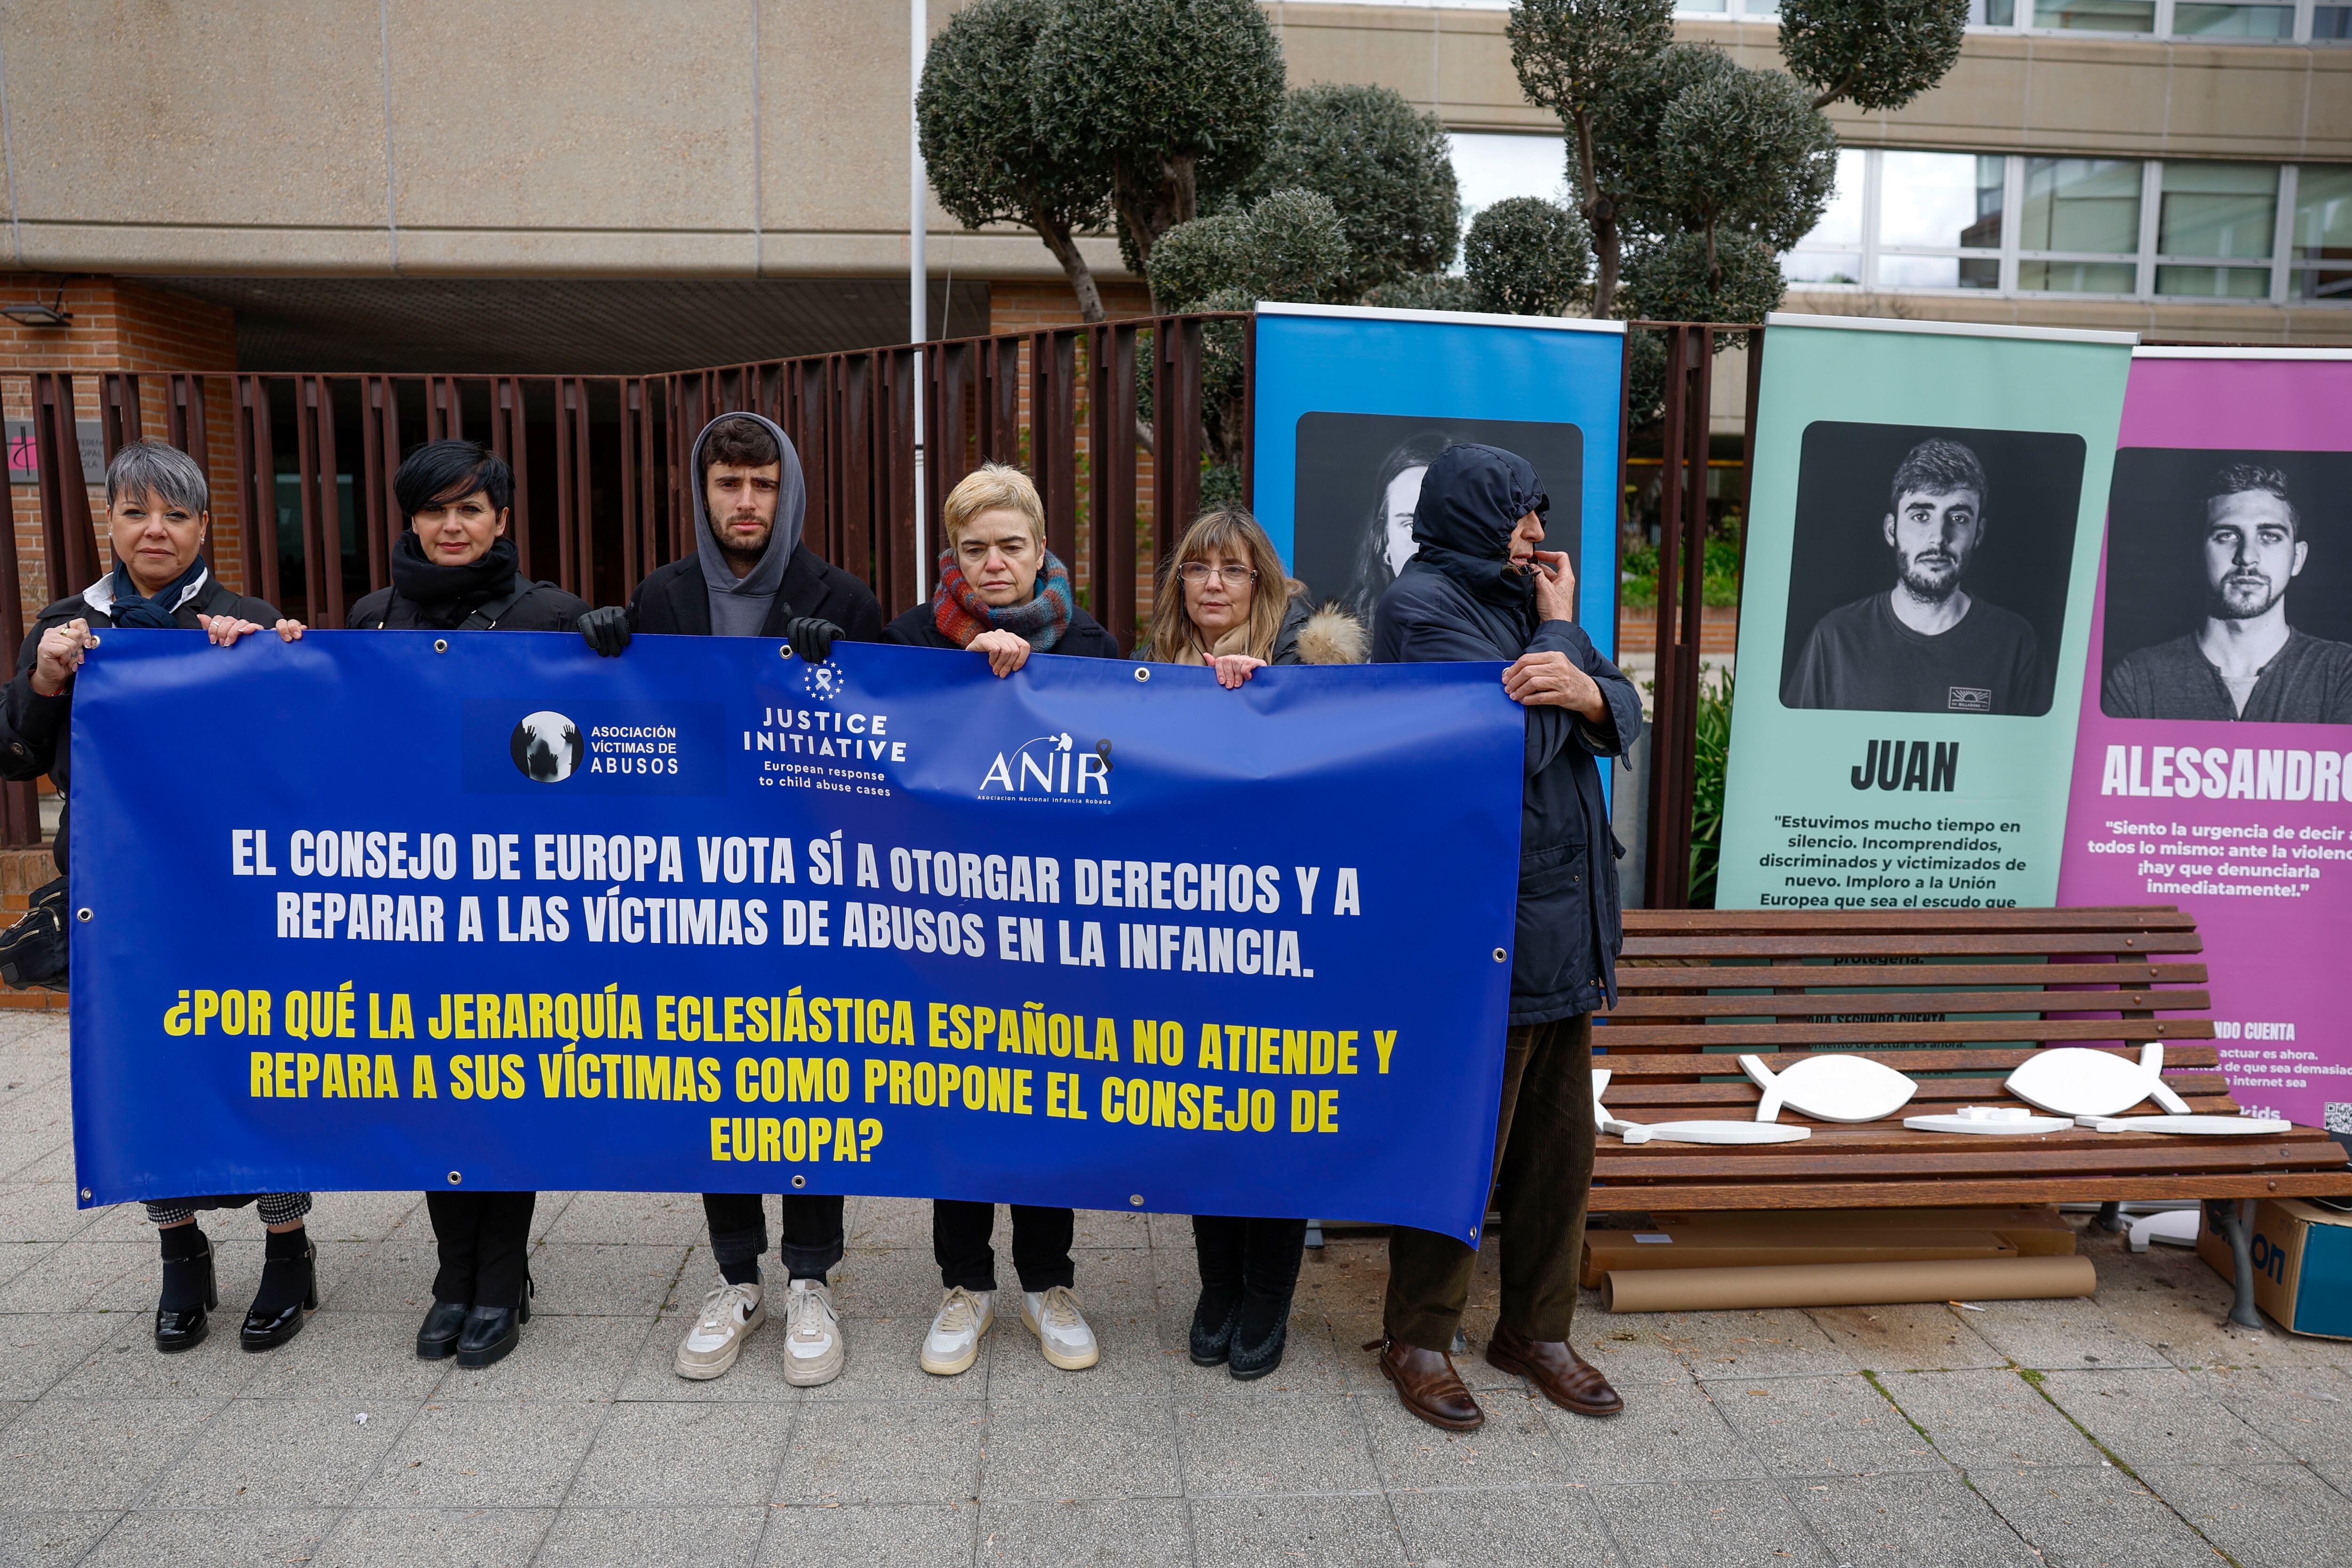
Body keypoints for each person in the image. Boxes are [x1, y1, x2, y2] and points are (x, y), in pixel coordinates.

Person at [577, 411, 881, 1388]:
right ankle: (736, 1274)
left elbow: (884, 748)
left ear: (787, 489)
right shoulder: (661, 596)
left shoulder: (845, 594)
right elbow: (627, 745)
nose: (745, 502)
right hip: (701, 889)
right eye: (727, 484)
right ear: (702, 493)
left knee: (809, 1076)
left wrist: (851, 673)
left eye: (761, 484)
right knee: (718, 1074)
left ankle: (811, 1277)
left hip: (812, 891)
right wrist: (603, 658)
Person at [0, 440, 313, 1351]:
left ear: (204, 528)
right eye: (137, 512)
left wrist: (273, 659)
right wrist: (45, 677)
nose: (156, 531)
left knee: (262, 1060)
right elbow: (19, 755)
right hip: (120, 896)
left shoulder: (242, 617)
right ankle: (181, 1253)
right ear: (110, 523)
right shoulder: (68, 623)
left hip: (235, 896)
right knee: (145, 1066)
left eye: (176, 515)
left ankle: (289, 1250)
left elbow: (293, 754)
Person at [1370, 442, 1642, 1432]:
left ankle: (1535, 1329)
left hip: (1566, 923)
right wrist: (1565, 645)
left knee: (1557, 1153)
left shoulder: (1531, 611)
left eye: (1536, 513)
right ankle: (1418, 1336)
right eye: (1521, 514)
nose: (1537, 532)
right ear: (1476, 515)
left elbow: (1623, 710)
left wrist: (1573, 673)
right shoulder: (1422, 608)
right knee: (1462, 1146)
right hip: (1480, 930)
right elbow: (1510, 748)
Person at [344, 438, 590, 1368]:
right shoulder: (372, 618)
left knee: (505, 1089)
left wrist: (614, 648)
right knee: (433, 1090)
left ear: (501, 519)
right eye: (435, 508)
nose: (453, 525)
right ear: (410, 518)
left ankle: (503, 1275)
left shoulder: (552, 614)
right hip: (413, 901)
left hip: (520, 903)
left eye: (471, 508)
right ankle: (453, 1275)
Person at [883, 462, 1116, 1375]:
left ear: (1042, 547)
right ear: (952, 553)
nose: (992, 564)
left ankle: (1048, 1281)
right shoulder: (907, 639)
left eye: (1010, 545)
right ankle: (964, 1283)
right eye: (973, 548)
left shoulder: (1091, 642)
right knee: (956, 1099)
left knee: (1043, 1098)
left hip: (1049, 923)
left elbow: (1118, 759)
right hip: (940, 920)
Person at [1143, 505, 1364, 1377]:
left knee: (1274, 1115)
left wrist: (1277, 701)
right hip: (1191, 935)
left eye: (1232, 570)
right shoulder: (1152, 668)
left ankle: (1268, 1296)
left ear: (1263, 582)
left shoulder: (1314, 661)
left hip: (1288, 935)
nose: (1212, 586)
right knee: (1204, 1116)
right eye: (1198, 569)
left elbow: (1353, 767)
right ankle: (1217, 1286)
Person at [1784, 437, 2047, 716]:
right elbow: (1797, 752)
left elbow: (2035, 756)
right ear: (1891, 530)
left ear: (1978, 533)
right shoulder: (1834, 638)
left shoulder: (2015, 641)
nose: (1938, 539)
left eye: (1958, 518)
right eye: (1921, 516)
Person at [2102, 463, 2352, 723]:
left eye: (2269, 536)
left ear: (2297, 559)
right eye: (2227, 536)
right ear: (2198, 554)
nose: (2247, 557)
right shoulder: (2139, 677)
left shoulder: (2341, 672)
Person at [1341, 432, 1447, 626]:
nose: (1426, 545)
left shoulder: (1516, 631)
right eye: (1409, 525)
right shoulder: (1337, 649)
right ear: (1384, 539)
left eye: (1445, 524)